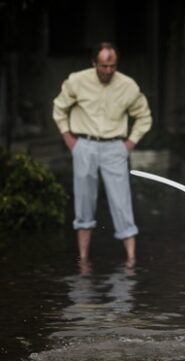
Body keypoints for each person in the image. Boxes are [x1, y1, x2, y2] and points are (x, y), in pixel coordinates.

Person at [53, 42, 152, 265]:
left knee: (121, 202)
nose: (108, 71)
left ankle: (131, 262)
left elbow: (144, 116)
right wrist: (69, 138)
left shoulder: (128, 86)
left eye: (112, 66)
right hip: (84, 145)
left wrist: (130, 143)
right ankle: (84, 262)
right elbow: (59, 108)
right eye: (104, 66)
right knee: (84, 203)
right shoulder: (77, 81)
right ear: (94, 63)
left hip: (114, 146)